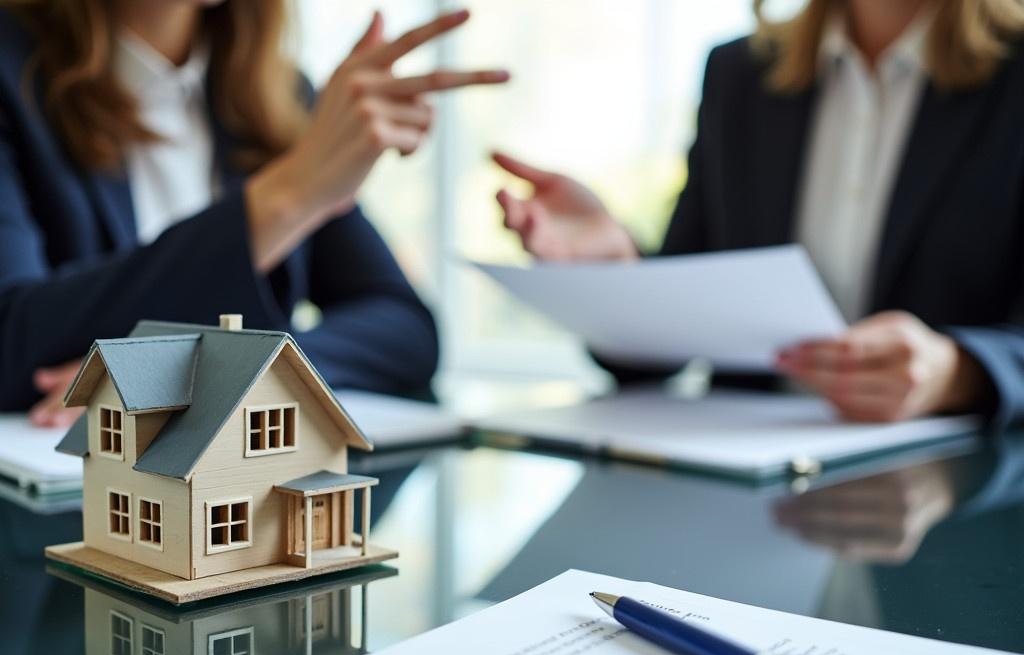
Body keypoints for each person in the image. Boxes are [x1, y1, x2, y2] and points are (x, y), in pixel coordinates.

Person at [494, 0, 1024, 425]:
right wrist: (614, 274)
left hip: (962, 504)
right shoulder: (739, 74)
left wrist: (961, 374)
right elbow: (684, 316)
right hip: (747, 497)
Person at [0, 1, 509, 426]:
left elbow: (405, 329)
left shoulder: (277, 97)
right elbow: (11, 341)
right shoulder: (13, 72)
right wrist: (283, 196)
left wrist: (218, 373)